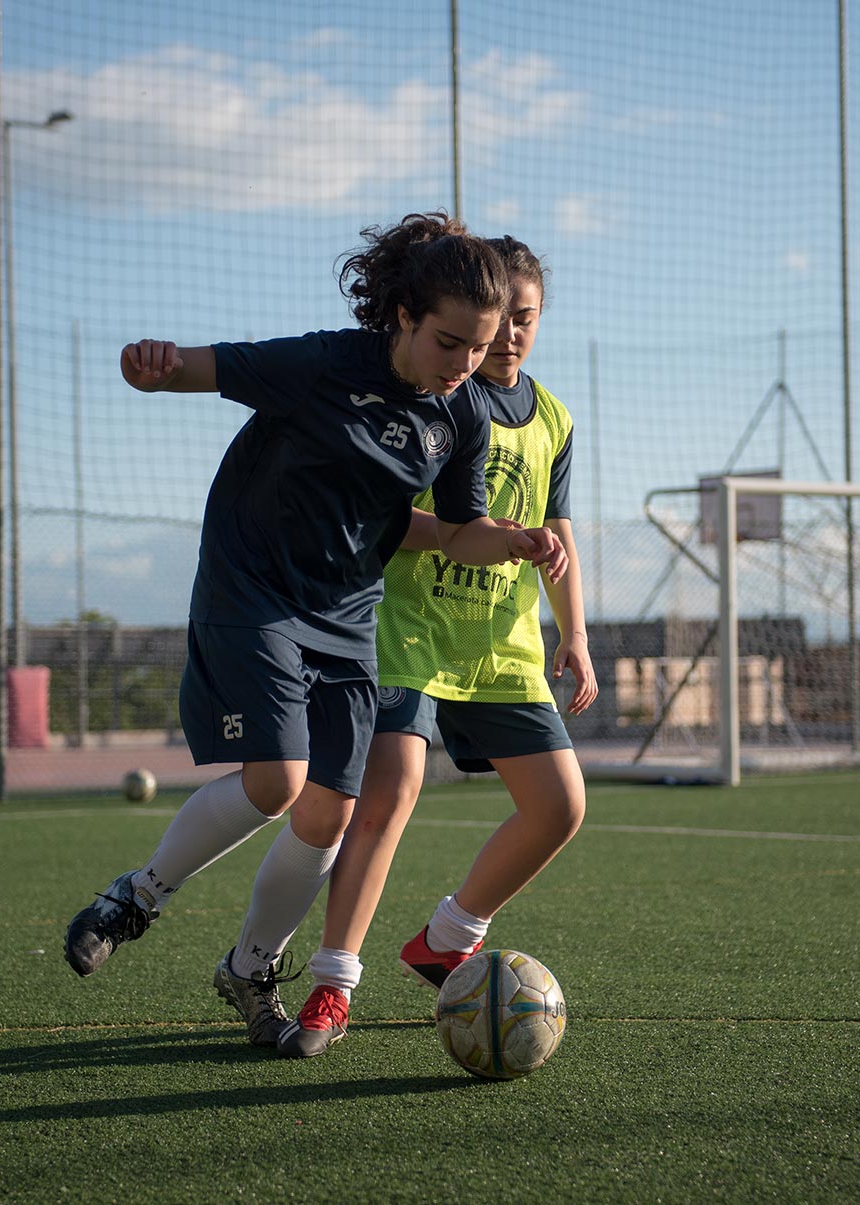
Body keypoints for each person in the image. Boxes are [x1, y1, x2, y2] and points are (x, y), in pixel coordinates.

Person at [62, 214, 569, 1052]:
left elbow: (456, 528)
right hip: (253, 588)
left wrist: (514, 541)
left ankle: (249, 969)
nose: (463, 365)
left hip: (346, 612)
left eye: (477, 350)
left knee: (327, 816)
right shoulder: (322, 363)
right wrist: (150, 368)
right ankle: (135, 897)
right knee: (277, 781)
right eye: (448, 343)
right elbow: (191, 368)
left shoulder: (462, 414)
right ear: (403, 315)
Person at [268, 235, 597, 1058]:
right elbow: (398, 518)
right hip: (405, 629)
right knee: (387, 797)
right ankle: (331, 982)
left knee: (560, 805)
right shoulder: (430, 398)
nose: (510, 337)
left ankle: (446, 938)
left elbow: (559, 532)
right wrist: (469, 536)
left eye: (526, 320)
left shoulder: (552, 416)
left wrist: (575, 635)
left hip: (501, 643)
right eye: (499, 324)